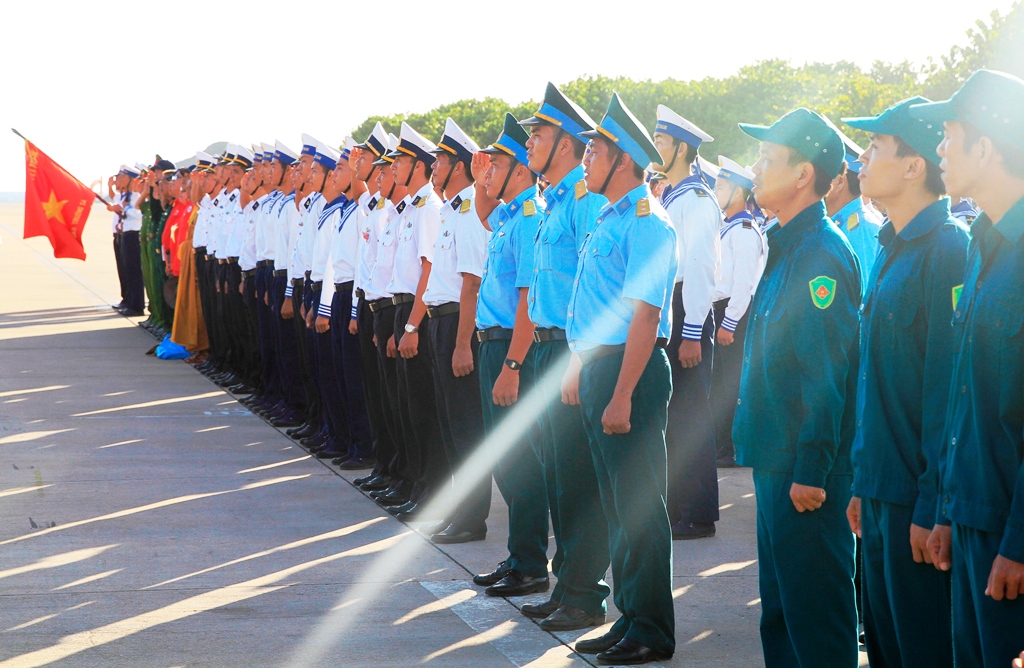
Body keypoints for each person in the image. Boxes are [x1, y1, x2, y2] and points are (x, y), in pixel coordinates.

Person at [840, 95, 968, 668]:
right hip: (882, 491)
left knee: (924, 650)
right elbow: (878, 384)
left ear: (914, 166)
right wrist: (864, 482)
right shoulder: (891, 248)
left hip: (917, 501)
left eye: (875, 148)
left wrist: (932, 505)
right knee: (888, 650)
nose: (861, 160)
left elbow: (946, 392)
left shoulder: (947, 251)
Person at [733, 107, 861, 667]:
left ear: (803, 173)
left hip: (802, 471)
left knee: (817, 623)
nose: (754, 169)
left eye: (767, 159)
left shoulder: (821, 255)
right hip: (776, 458)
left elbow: (826, 375)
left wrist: (811, 467)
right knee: (782, 617)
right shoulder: (787, 244)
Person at [911, 69, 1024, 667]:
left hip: (1013, 541)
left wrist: (1019, 544)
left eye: (950, 135)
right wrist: (949, 511)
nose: (940, 150)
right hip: (975, 524)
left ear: (986, 147)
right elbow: (967, 399)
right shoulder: (982, 245)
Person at [568, 92, 677, 665]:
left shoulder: (649, 222)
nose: (586, 159)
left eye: (596, 150)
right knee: (614, 506)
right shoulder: (607, 216)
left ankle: (653, 628)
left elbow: (646, 315)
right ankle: (629, 617)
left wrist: (623, 393)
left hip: (627, 371)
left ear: (625, 161)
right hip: (601, 367)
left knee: (638, 505)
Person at [517, 82, 611, 631]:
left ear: (567, 146)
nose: (530, 143)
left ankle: (585, 594)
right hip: (545, 348)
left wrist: (576, 359)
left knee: (577, 479)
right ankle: (566, 584)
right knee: (557, 475)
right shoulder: (551, 200)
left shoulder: (585, 199)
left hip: (570, 353)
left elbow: (594, 290)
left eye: (540, 135)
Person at [470, 113, 549, 598]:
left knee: (520, 461)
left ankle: (531, 563)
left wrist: (514, 365)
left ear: (520, 168)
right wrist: (483, 183)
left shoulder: (529, 216)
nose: (488, 172)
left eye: (496, 164)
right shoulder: (509, 214)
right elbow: (483, 213)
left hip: (508, 346)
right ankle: (520, 556)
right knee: (504, 459)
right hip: (492, 342)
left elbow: (527, 300)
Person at [419, 118, 492, 544]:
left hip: (457, 324)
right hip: (439, 321)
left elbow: (471, 282)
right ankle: (456, 512)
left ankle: (471, 518)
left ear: (461, 166)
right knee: (449, 425)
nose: (434, 166)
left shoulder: (468, 210)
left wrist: (463, 343)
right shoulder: (451, 209)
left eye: (441, 159)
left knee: (465, 427)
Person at [651, 104, 722, 540]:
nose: (656, 147)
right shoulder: (674, 196)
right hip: (672, 307)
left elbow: (698, 267)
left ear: (682, 148)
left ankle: (697, 513)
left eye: (662, 142)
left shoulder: (695, 200)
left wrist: (692, 332)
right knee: (675, 415)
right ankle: (681, 505)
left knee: (690, 415)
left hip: (687, 309)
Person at [709, 156, 766, 468]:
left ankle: (729, 447)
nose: (717, 191)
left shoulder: (744, 229)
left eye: (722, 186)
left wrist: (729, 323)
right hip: (721, 310)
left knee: (729, 383)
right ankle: (722, 444)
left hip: (734, 314)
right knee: (720, 381)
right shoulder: (728, 227)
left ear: (740, 193)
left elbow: (743, 284)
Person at [826, 134, 884, 285]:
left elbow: (863, 296)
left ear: (840, 182)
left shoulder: (862, 229)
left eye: (822, 175)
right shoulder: (837, 223)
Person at [107, 165, 145, 316]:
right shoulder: (126, 196)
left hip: (133, 234)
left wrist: (125, 209)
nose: (119, 179)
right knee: (126, 270)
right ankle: (128, 300)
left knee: (134, 271)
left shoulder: (137, 196)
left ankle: (136, 305)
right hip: (124, 234)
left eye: (123, 176)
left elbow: (140, 215)